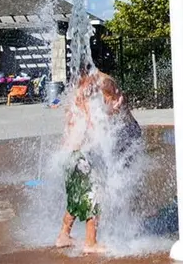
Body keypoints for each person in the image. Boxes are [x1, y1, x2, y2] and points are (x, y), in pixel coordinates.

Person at [55, 71, 141, 253]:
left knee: (76, 196)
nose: (117, 100)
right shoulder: (93, 109)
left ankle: (64, 235)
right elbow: (96, 132)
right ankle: (90, 242)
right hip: (81, 157)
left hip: (69, 156)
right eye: (114, 96)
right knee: (95, 195)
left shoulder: (77, 102)